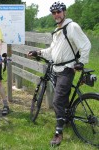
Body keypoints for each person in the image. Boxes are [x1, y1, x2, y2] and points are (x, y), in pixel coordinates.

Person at [28, 1, 91, 146]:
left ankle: (58, 133)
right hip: (57, 69)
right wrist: (38, 52)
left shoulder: (72, 27)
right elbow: (51, 50)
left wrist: (81, 62)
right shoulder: (58, 30)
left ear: (64, 12)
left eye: (59, 11)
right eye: (54, 12)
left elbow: (86, 44)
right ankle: (67, 118)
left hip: (67, 69)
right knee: (63, 98)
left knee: (57, 101)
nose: (56, 14)